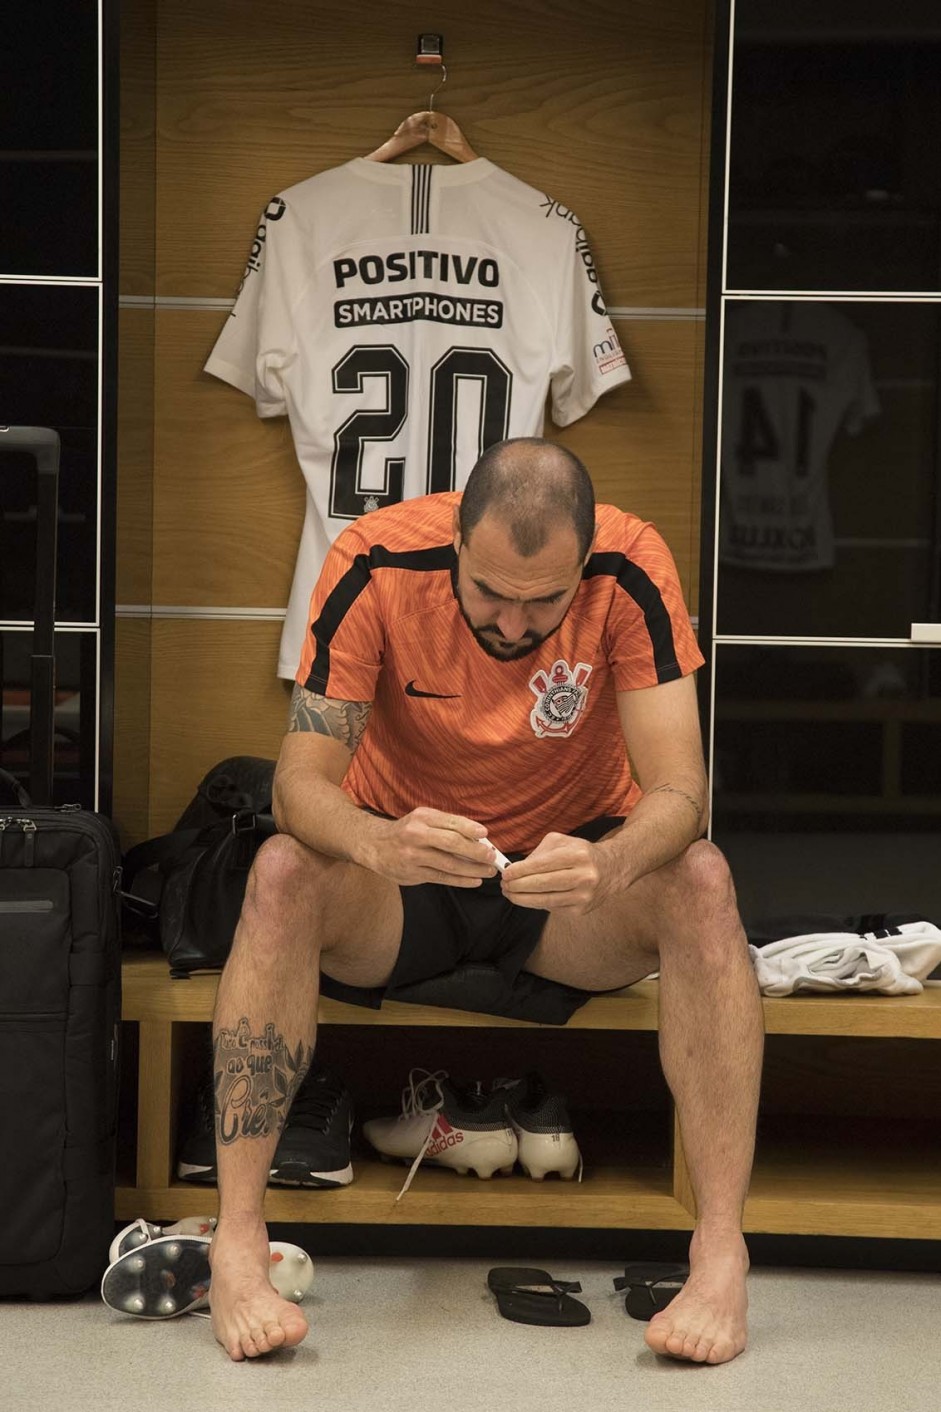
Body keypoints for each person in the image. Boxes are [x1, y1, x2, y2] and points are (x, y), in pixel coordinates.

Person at [207, 437, 764, 1366]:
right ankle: (236, 1243)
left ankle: (718, 1252)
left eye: (542, 600)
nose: (512, 622)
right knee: (279, 871)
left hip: (564, 882)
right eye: (490, 593)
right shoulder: (376, 560)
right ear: (456, 544)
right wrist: (377, 840)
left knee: (701, 879)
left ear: (582, 563)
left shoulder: (632, 567)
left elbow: (679, 792)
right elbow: (297, 786)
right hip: (404, 872)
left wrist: (614, 863)